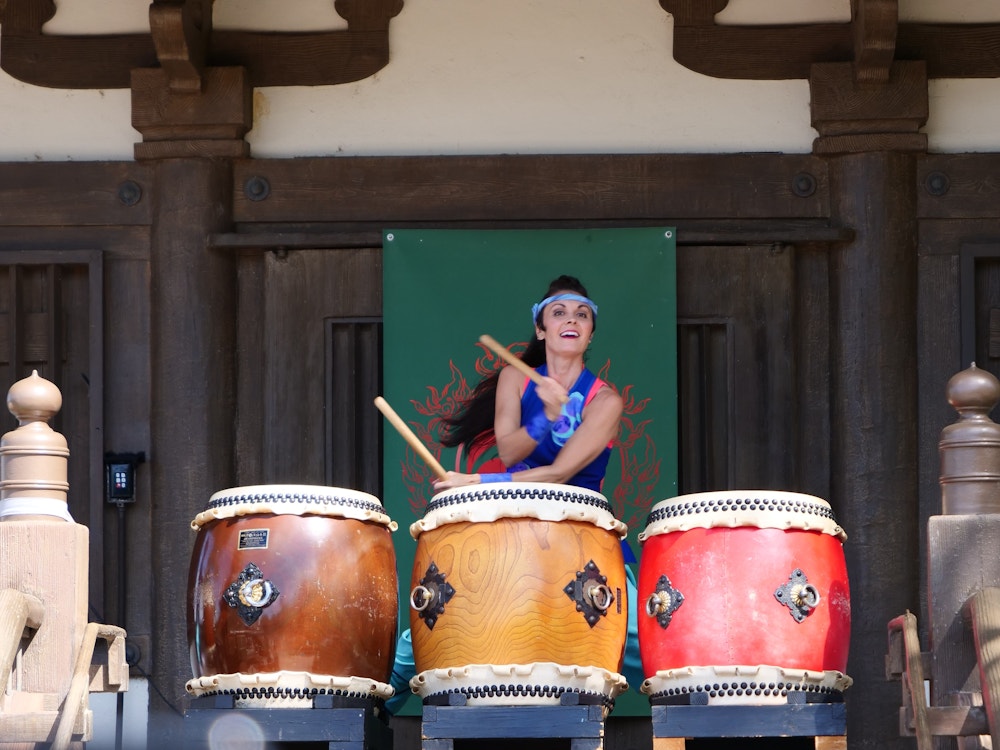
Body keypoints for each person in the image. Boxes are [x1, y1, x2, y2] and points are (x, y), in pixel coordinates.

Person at [386, 274, 644, 713]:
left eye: (582, 314)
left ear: (590, 332)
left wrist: (477, 483)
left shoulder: (605, 401)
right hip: (515, 524)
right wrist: (544, 417)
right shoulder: (514, 379)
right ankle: (379, 705)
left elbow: (562, 472)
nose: (571, 319)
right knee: (447, 611)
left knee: (639, 628)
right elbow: (509, 450)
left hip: (582, 532)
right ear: (541, 330)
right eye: (559, 312)